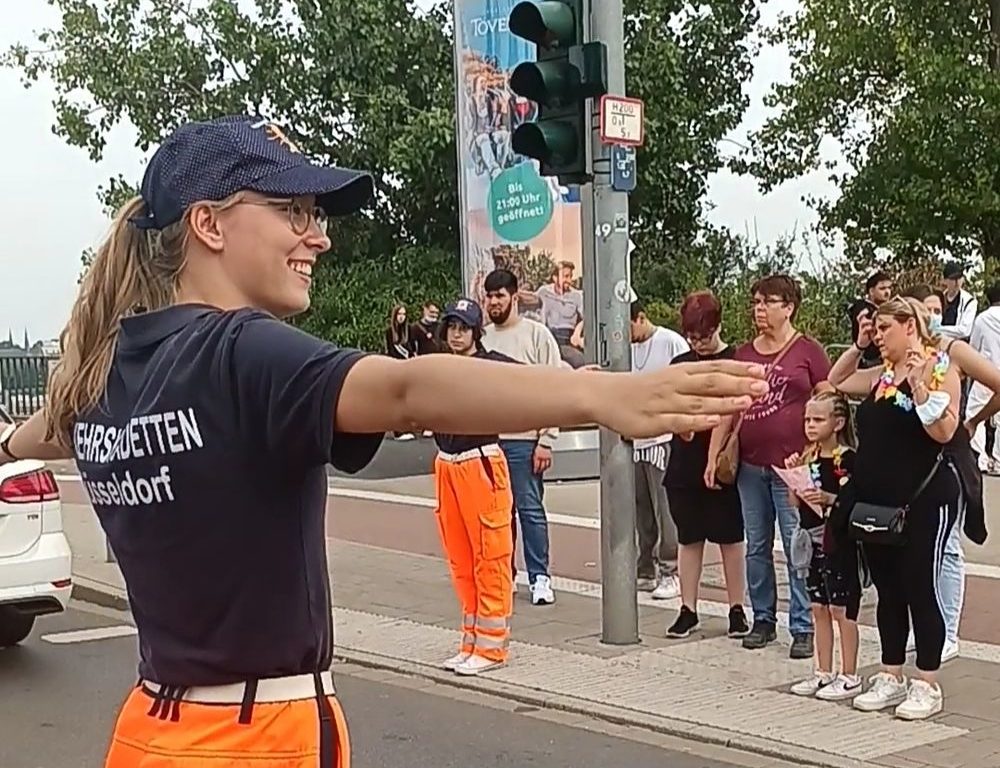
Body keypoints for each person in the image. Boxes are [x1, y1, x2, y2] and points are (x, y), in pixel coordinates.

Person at [0, 114, 770, 767]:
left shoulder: (107, 371)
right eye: (293, 211)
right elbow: (404, 389)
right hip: (257, 737)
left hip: (148, 731)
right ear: (209, 224)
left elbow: (40, 434)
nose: (318, 237)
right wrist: (600, 395)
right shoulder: (242, 352)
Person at [828, 296, 962, 720]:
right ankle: (891, 673)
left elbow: (944, 431)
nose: (879, 336)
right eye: (875, 329)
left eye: (884, 328)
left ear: (910, 327)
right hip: (877, 501)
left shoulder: (941, 369)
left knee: (919, 586)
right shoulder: (881, 374)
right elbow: (836, 379)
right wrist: (859, 343)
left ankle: (927, 681)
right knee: (888, 590)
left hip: (922, 498)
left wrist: (920, 387)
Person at [706, 274, 832, 659]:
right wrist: (713, 456)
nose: (759, 309)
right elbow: (728, 408)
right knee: (757, 545)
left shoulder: (808, 351)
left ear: (788, 307)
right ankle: (763, 618)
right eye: (756, 302)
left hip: (793, 467)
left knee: (797, 546)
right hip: (750, 464)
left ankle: (803, 625)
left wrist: (817, 449)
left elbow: (829, 401)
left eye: (768, 302)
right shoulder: (744, 355)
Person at [904, 284, 994, 662]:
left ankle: (949, 630)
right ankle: (923, 624)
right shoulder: (902, 354)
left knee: (949, 547)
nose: (932, 316)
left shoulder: (952, 350)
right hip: (912, 460)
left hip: (950, 455)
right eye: (924, 309)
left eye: (937, 309)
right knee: (917, 546)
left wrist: (975, 420)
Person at [431, 298, 516, 676]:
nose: (456, 334)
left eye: (463, 328)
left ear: (476, 332)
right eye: (451, 327)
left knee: (490, 556)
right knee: (461, 560)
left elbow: (535, 380)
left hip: (480, 460)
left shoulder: (492, 365)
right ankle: (471, 640)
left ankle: (492, 648)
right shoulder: (440, 366)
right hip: (448, 463)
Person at [663, 291, 749, 639]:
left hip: (725, 461)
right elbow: (671, 406)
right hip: (685, 461)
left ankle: (737, 607)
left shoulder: (734, 359)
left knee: (731, 536)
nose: (698, 343)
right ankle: (688, 608)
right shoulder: (680, 364)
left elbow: (733, 409)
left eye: (704, 336)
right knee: (689, 537)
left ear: (718, 327)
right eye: (692, 337)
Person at [482, 268, 562, 605]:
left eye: (500, 296)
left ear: (514, 297)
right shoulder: (482, 337)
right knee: (497, 514)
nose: (494, 302)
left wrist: (546, 439)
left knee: (529, 510)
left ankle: (540, 577)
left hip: (525, 440)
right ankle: (504, 574)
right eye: (489, 296)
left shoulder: (537, 335)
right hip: (487, 441)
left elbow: (554, 388)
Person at [786, 391, 862, 701]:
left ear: (838, 422)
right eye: (807, 419)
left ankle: (850, 674)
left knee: (842, 608)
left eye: (818, 419)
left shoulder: (849, 459)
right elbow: (795, 502)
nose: (810, 425)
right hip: (812, 538)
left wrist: (831, 499)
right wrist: (794, 477)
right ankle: (823, 670)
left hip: (839, 541)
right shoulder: (809, 456)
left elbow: (855, 499)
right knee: (818, 606)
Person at [629, 299, 688, 599]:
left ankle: (671, 570)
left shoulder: (670, 342)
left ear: (640, 318)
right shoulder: (627, 348)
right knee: (642, 511)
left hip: (662, 438)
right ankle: (645, 567)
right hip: (634, 439)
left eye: (629, 326)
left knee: (665, 509)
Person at [847, 271, 893, 369]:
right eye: (882, 288)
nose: (887, 292)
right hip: (870, 360)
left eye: (889, 288)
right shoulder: (863, 310)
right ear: (871, 291)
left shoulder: (883, 309)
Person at [385, 303, 417, 441]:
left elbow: (412, 348)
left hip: (408, 366)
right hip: (395, 367)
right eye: (399, 314)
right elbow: (389, 350)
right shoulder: (389, 332)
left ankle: (407, 428)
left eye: (404, 314)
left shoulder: (409, 330)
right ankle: (397, 431)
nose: (401, 317)